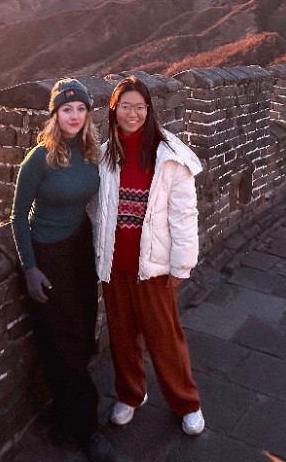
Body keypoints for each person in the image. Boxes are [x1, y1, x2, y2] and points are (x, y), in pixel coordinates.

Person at [91, 75, 206, 436]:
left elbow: (184, 214)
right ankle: (130, 394)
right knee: (122, 336)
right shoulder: (107, 153)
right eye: (125, 106)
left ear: (149, 110)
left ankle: (186, 402)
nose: (132, 113)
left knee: (165, 338)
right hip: (116, 264)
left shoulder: (169, 156)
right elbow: (98, 207)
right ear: (114, 110)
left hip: (153, 266)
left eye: (139, 107)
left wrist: (181, 264)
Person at [10, 78, 113, 462]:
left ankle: (64, 411)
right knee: (66, 337)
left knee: (83, 330)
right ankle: (88, 429)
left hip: (79, 245)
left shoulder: (91, 154)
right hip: (47, 250)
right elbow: (18, 216)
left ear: (88, 114)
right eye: (66, 109)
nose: (74, 115)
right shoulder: (39, 158)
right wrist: (29, 267)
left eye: (81, 109)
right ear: (55, 115)